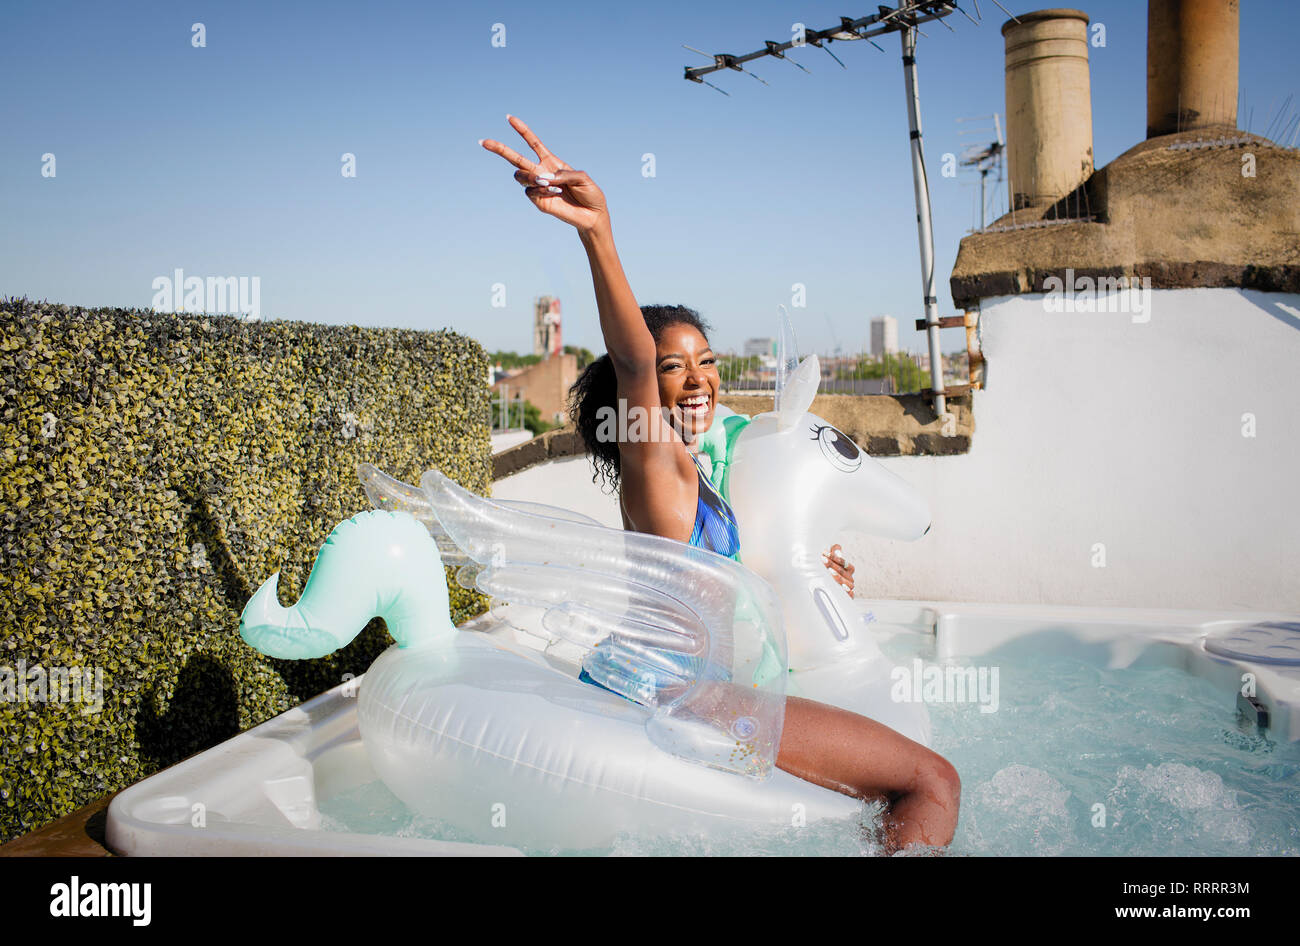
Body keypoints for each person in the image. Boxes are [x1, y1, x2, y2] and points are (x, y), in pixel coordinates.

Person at [480, 115, 960, 852]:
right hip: (682, 694)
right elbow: (632, 363)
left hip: (679, 683)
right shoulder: (657, 461)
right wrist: (597, 230)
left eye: (705, 359)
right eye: (674, 367)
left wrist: (817, 575)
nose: (698, 378)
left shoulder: (691, 475)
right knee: (932, 780)